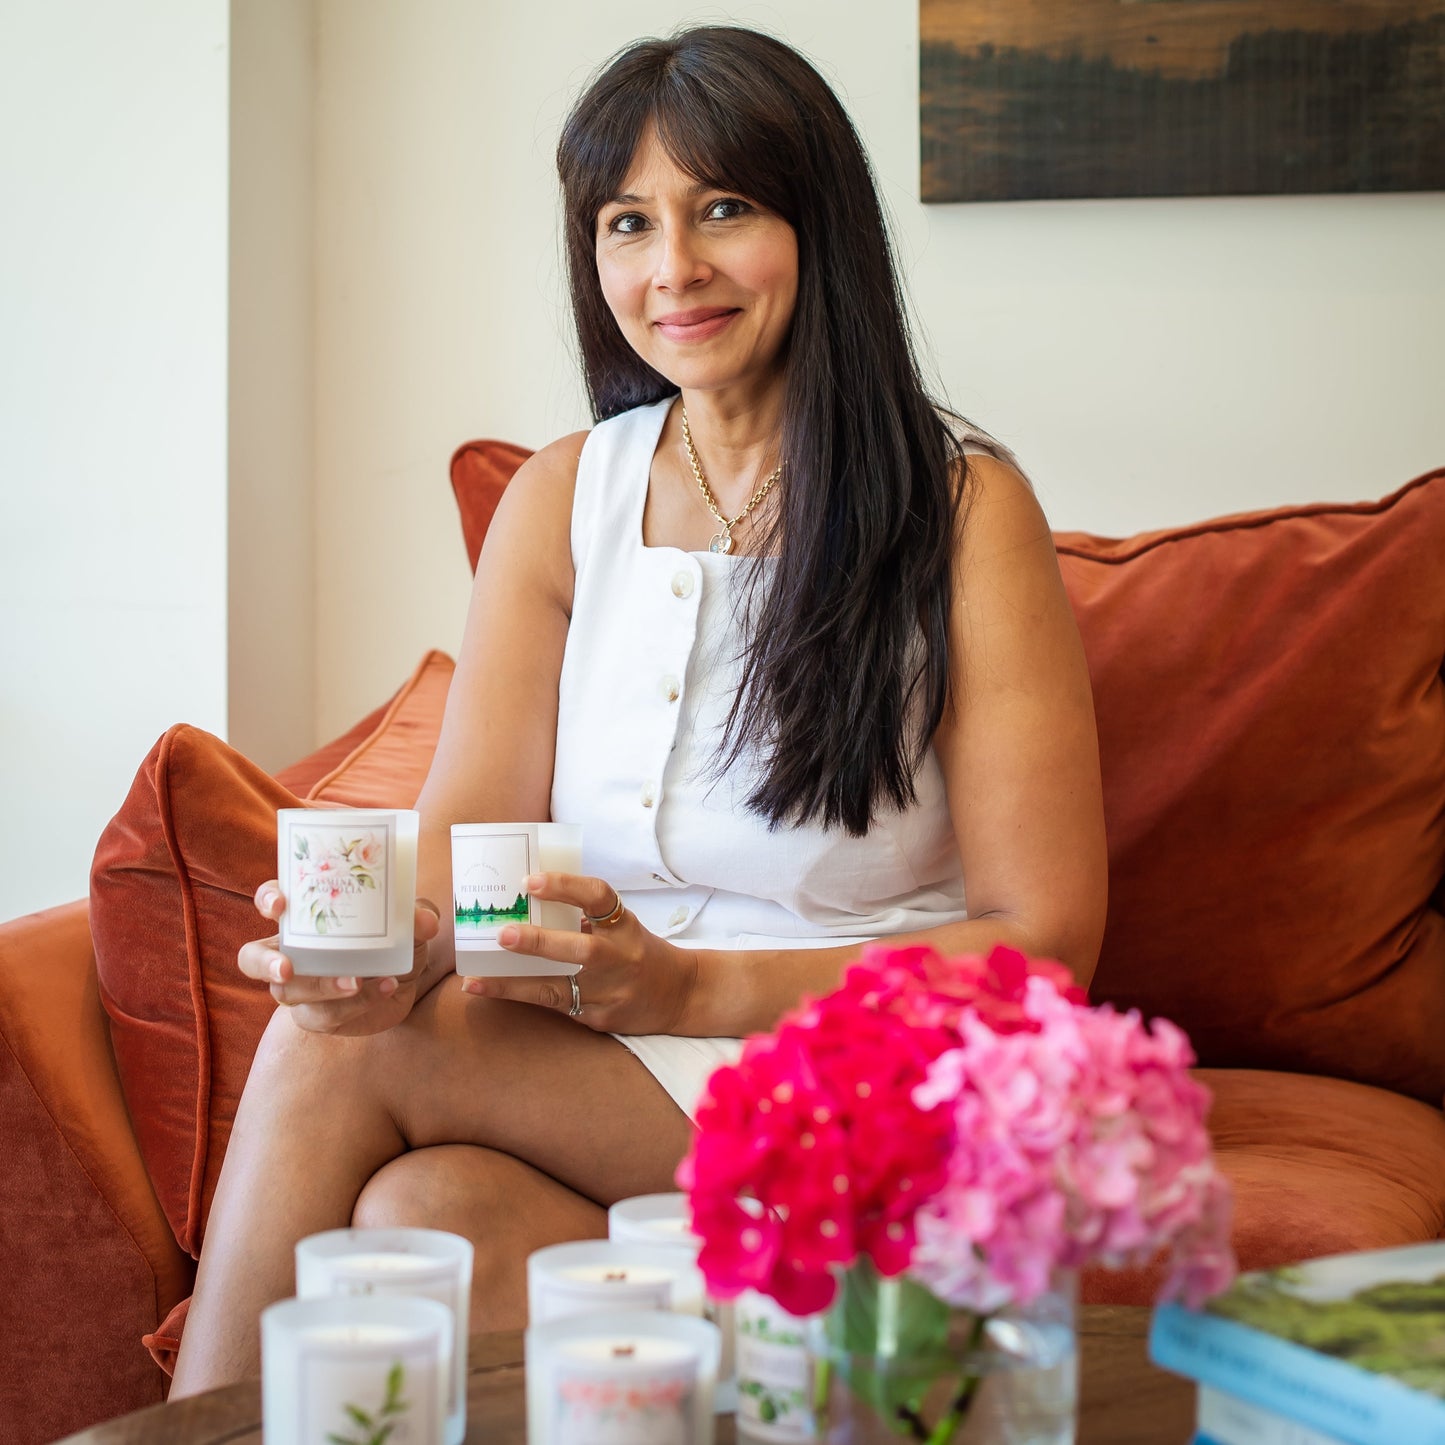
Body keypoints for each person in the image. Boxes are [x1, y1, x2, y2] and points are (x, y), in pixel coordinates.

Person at [170, 24, 1106, 1394]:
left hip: (856, 1078)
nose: (672, 267)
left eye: (723, 207)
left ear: (817, 223)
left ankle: (165, 1432)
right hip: (620, 1057)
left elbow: (1043, 947)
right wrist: (383, 952)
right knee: (425, 1218)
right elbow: (456, 847)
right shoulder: (563, 497)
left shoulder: (961, 509)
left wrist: (687, 985)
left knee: (322, 1074)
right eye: (627, 222)